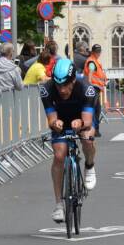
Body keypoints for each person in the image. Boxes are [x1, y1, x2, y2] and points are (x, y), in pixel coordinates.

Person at [40, 58, 98, 222]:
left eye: (66, 85)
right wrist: (54, 123)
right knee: (59, 156)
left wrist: (80, 123)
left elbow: (87, 120)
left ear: (73, 80)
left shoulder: (86, 89)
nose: (62, 90)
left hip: (81, 117)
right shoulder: (47, 89)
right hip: (62, 120)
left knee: (87, 138)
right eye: (58, 85)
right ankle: (59, 205)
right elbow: (51, 118)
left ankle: (89, 165)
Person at [83, 44, 108, 135]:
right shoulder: (92, 62)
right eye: (97, 52)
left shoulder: (94, 61)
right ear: (93, 52)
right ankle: (93, 129)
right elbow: (90, 77)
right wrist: (94, 85)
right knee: (94, 109)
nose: (99, 53)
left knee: (96, 109)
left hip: (95, 88)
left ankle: (95, 129)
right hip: (93, 88)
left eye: (99, 51)